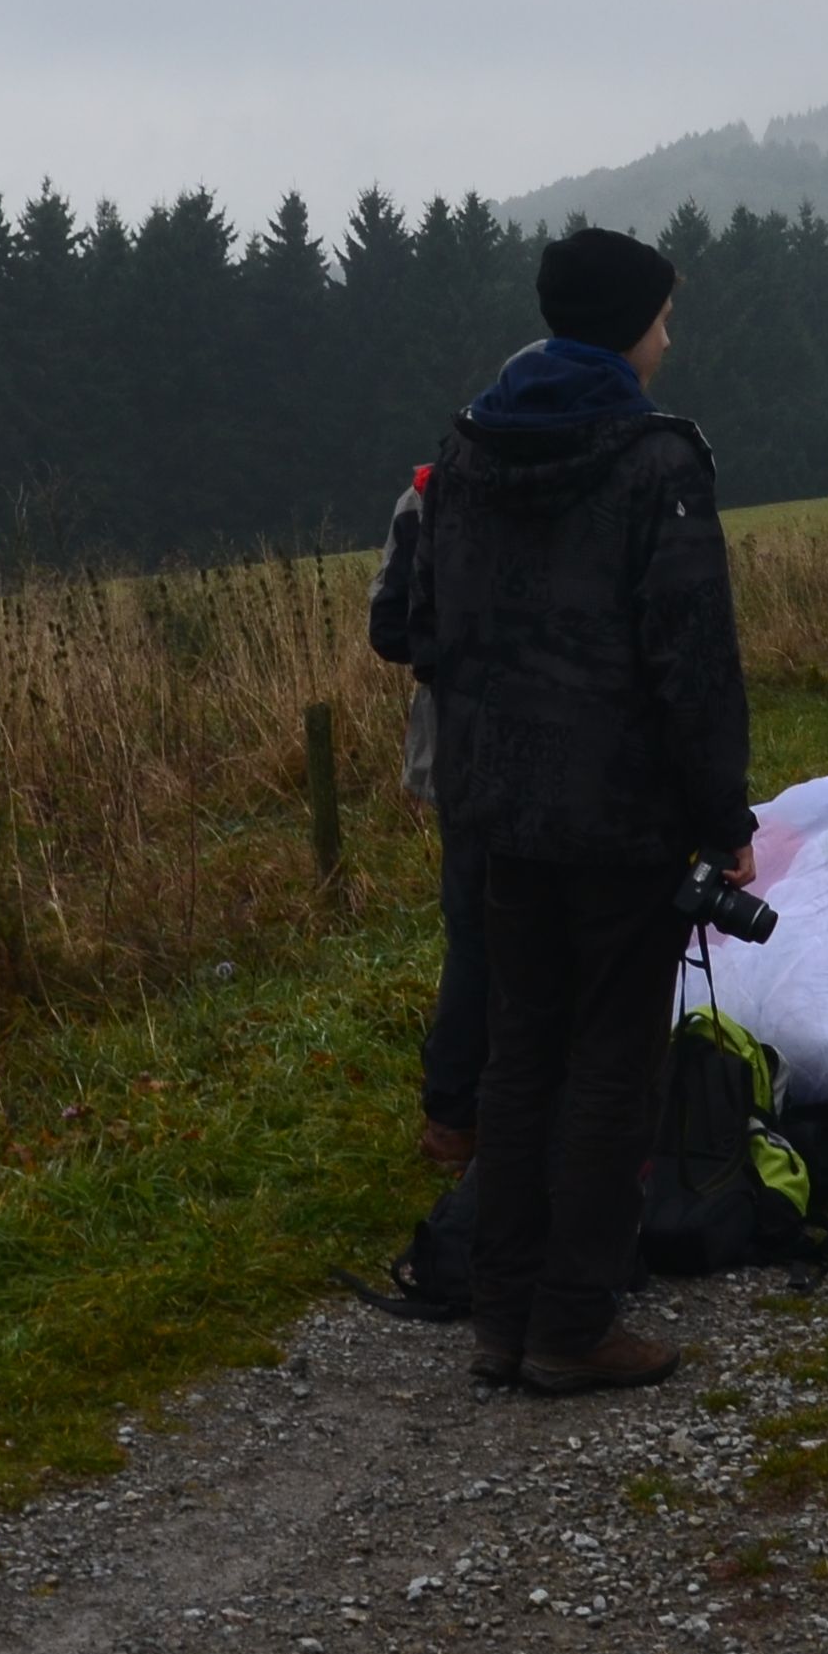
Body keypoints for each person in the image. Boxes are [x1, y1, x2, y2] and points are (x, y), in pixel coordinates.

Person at [373, 227, 755, 1394]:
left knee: (521, 1051)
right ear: (628, 324)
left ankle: (501, 1319)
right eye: (663, 317)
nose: (668, 338)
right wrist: (722, 819)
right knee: (611, 1065)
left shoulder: (467, 446)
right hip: (618, 814)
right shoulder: (655, 459)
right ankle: (573, 1324)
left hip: (495, 805)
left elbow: (418, 624)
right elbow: (691, 661)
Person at [364, 463, 480, 1171]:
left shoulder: (428, 492)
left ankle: (454, 1123)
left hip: (459, 753)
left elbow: (389, 628)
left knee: (474, 936)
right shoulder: (602, 467)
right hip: (577, 750)